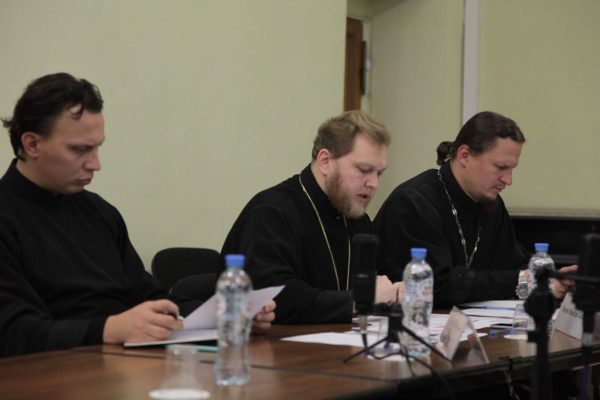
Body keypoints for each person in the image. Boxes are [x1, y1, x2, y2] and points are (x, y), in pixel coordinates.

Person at [0, 73, 275, 357]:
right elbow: (13, 332)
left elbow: (149, 297)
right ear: (32, 145)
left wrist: (225, 316)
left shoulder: (99, 212)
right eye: (80, 150)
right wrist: (108, 329)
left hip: (125, 362)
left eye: (97, 147)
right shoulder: (7, 218)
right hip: (51, 370)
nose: (95, 164)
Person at [375, 111, 574, 308]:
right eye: (500, 167)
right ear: (465, 156)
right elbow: (436, 285)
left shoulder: (490, 203)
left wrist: (553, 277)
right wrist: (523, 279)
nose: (508, 180)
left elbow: (514, 263)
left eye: (512, 169)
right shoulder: (413, 202)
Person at [218, 110, 400, 323]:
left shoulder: (357, 220)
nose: (374, 183)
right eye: (364, 169)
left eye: (379, 173)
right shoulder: (271, 212)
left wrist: (399, 290)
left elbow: (386, 277)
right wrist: (359, 300)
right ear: (325, 161)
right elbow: (273, 296)